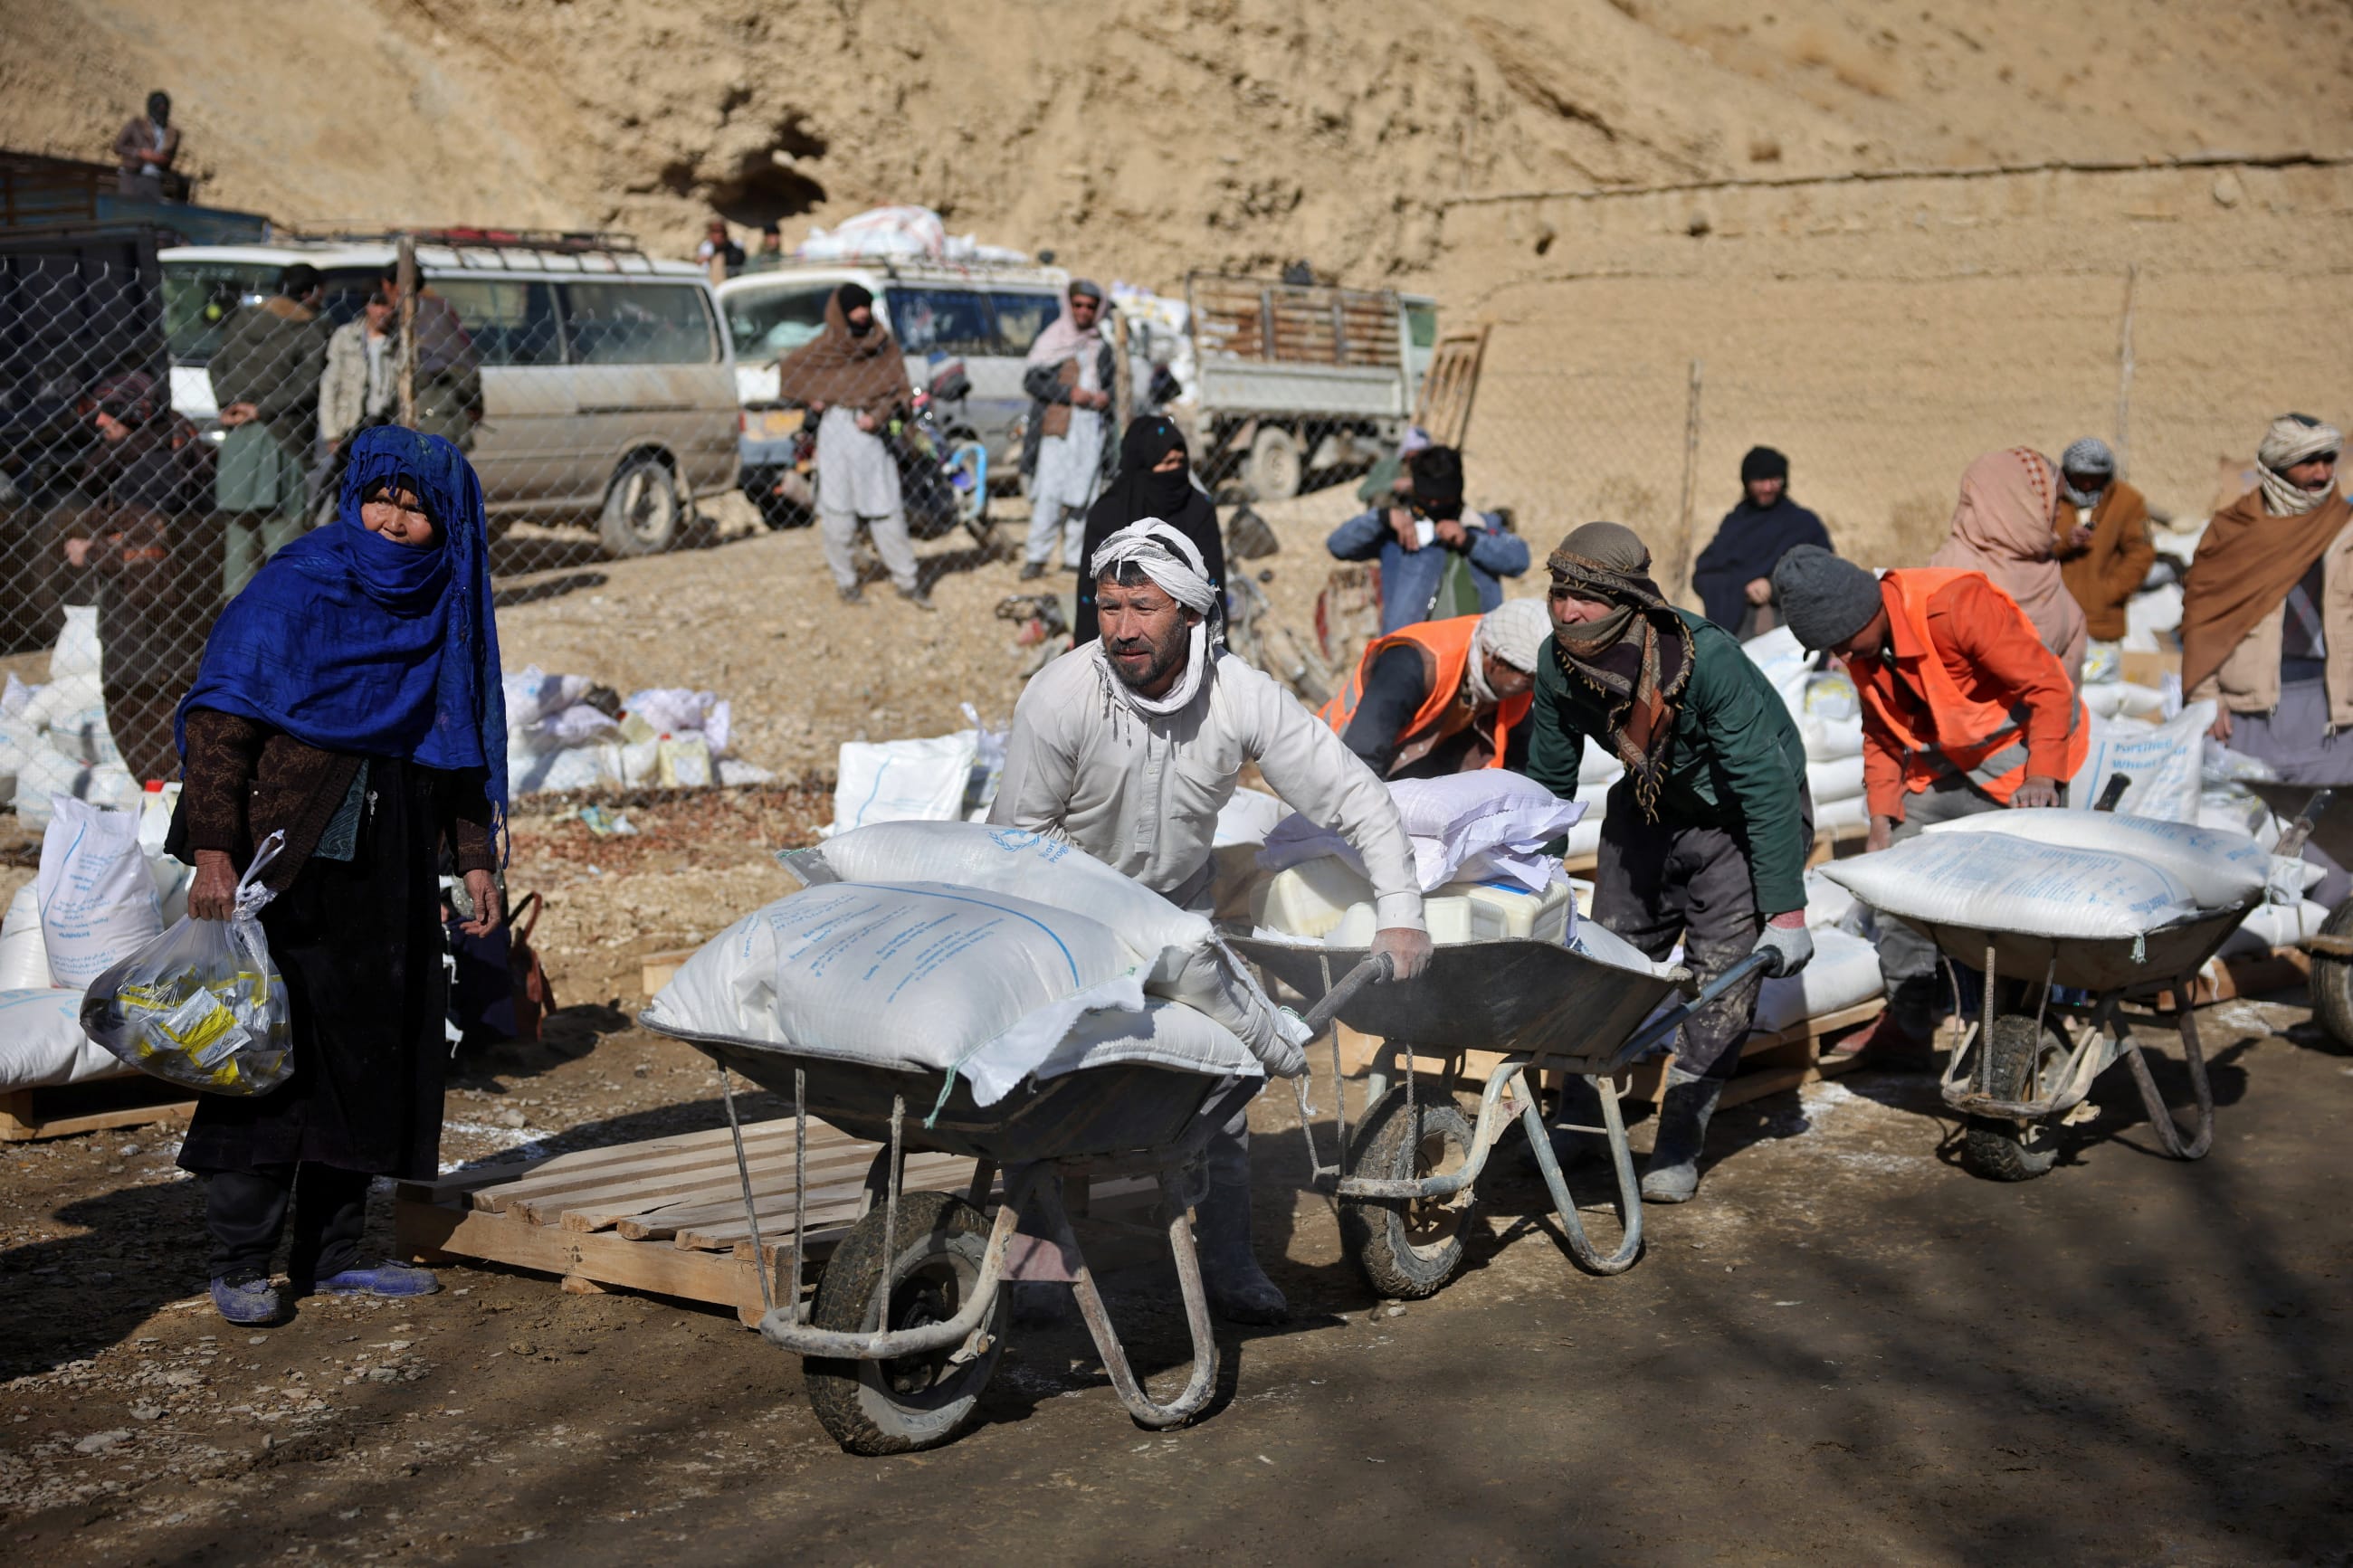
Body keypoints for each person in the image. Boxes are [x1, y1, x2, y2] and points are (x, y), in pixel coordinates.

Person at [990, 520, 1430, 1322]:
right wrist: (1105, 929)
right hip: (1063, 919)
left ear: (1190, 614)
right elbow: (1016, 846)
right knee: (1042, 1082)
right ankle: (1034, 1262)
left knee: (1226, 1080)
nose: (1122, 627)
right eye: (1109, 605)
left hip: (1182, 915)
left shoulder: (1238, 697)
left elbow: (1355, 796)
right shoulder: (1061, 697)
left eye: (1143, 607)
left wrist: (1401, 911)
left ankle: (1226, 1260)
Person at [168, 426, 508, 1326]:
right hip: (285, 860)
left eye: (419, 509)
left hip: (389, 862)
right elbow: (221, 726)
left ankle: (330, 1257)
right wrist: (212, 849)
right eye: (382, 499)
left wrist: (473, 855)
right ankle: (240, 1259)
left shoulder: (448, 605)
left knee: (368, 1053)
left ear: (451, 525)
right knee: (269, 1053)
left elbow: (458, 747)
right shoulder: (295, 585)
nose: (394, 523)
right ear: (351, 496)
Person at [1524, 523, 1814, 1203]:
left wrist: (1788, 910)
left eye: (1585, 598)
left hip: (1739, 816)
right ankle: (1581, 1117)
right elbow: (1548, 776)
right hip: (1652, 804)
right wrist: (1532, 875)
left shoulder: (1702, 658)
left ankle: (1680, 1138)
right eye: (1559, 593)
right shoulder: (1556, 661)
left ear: (1627, 600)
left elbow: (1764, 785)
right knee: (1606, 961)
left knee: (1720, 980)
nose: (1567, 610)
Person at [1772, 544, 2089, 1062]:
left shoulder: (1955, 606)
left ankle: (2010, 1028)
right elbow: (1879, 729)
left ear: (1866, 611)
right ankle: (1911, 1018)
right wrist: (1881, 817)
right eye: (1833, 649)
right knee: (1896, 874)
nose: (1843, 658)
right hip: (1946, 761)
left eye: (1845, 644)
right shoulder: (1859, 645)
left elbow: (2051, 689)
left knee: (2011, 902)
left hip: (2023, 760)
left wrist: (2043, 777)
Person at [2183, 414, 2353, 903]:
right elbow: (2202, 610)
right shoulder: (2233, 529)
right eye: (2309, 462)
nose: (2322, 474)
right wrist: (2205, 693)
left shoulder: (2345, 526)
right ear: (2278, 466)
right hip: (2251, 713)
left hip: (2333, 715)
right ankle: (2258, 955)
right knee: (2243, 845)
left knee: (2334, 847)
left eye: (2328, 460)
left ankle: (2322, 966)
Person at [64, 371, 207, 782]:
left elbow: (149, 552)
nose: (97, 423)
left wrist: (91, 550)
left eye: (108, 414)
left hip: (145, 623)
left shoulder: (150, 469)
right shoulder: (145, 456)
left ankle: (165, 800)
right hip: (149, 621)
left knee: (142, 718)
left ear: (131, 415)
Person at [775, 284, 930, 609]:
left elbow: (900, 393)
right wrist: (815, 398)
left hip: (872, 435)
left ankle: (907, 581)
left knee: (886, 510)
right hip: (836, 431)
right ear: (841, 312)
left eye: (866, 307)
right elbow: (793, 373)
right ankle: (846, 582)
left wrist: (879, 415)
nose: (861, 314)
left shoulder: (882, 344)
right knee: (837, 513)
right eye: (854, 308)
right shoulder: (826, 347)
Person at [1320, 597, 1551, 778]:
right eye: (1529, 679)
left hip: (1403, 774)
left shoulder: (1518, 684)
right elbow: (1360, 757)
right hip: (1333, 766)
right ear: (1495, 661)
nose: (1533, 689)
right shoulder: (1413, 663)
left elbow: (1519, 767)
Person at [211, 264, 329, 598]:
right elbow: (308, 384)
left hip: (237, 440)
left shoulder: (243, 319)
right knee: (285, 540)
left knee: (239, 544)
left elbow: (216, 364)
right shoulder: (312, 328)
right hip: (283, 438)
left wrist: (230, 404)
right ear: (309, 293)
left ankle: (236, 628)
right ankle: (287, 620)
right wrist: (262, 409)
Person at [1325, 445, 1531, 636]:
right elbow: (1338, 545)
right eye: (1427, 499)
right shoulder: (1400, 532)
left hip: (1475, 648)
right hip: (1412, 650)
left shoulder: (1482, 526)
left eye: (1441, 500)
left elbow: (1519, 560)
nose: (1433, 505)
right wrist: (1381, 518)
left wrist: (1470, 541)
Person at [1928, 448, 2087, 684]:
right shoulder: (1950, 573)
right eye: (2054, 502)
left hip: (2044, 718)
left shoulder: (2046, 569)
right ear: (2019, 503)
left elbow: (2064, 688)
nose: (2060, 514)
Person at [1072, 414, 1224, 645]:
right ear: (1140, 465)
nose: (1175, 471)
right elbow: (1091, 589)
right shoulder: (1107, 513)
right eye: (1167, 463)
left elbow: (1211, 584)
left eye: (1180, 462)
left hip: (1187, 634)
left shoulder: (1197, 509)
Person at [1019, 280, 1117, 579]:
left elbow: (1113, 386)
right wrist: (1068, 393)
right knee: (1050, 494)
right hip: (1057, 428)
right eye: (1078, 305)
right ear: (1069, 306)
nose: (1084, 311)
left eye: (1090, 306)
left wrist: (1104, 397)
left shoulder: (1102, 346)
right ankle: (1037, 557)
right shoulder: (1052, 340)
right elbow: (1033, 382)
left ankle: (1074, 558)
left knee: (1083, 495)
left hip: (1090, 429)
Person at [1690, 445, 1833, 639]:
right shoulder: (1735, 524)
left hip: (1790, 628)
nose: (1768, 487)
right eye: (1760, 480)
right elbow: (1705, 574)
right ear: (1747, 482)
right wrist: (1741, 586)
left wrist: (1773, 586)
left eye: (1774, 480)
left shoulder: (1803, 524)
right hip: (1740, 628)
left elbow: (1823, 571)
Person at [2051, 437, 2155, 670]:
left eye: (2094, 478)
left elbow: (2141, 553)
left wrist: (2109, 591)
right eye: (2081, 477)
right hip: (2054, 618)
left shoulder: (2128, 502)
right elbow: (2033, 544)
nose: (2087, 485)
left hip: (2101, 621)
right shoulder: (2051, 499)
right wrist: (2065, 541)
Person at [375, 266, 481, 451]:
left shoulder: (419, 316)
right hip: (439, 415)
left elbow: (458, 370)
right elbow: (466, 366)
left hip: (430, 417)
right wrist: (475, 402)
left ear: (390, 286)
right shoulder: (438, 310)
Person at [318, 289, 398, 449]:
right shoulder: (346, 336)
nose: (381, 312)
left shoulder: (399, 341)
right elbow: (329, 385)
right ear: (367, 306)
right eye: (376, 304)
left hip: (387, 425)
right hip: (350, 425)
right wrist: (331, 433)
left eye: (387, 306)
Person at [112, 90, 180, 200]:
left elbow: (170, 158)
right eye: (159, 106)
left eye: (164, 106)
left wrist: (161, 159)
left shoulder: (172, 133)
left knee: (151, 212)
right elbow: (118, 147)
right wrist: (139, 153)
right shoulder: (136, 124)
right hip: (132, 174)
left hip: (154, 177)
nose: (161, 109)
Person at [1354, 424, 1432, 508]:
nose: (1418, 459)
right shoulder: (1388, 466)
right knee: (1380, 498)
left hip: (1418, 510)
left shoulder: (1428, 467)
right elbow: (1363, 493)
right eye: (1415, 455)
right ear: (1407, 451)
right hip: (1390, 511)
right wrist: (1394, 485)